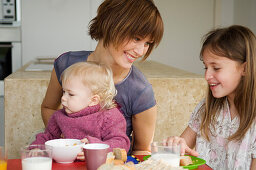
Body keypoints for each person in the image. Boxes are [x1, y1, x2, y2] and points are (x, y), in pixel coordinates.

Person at [41, 0, 164, 155]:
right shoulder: (66, 64)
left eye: (147, 43)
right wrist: (64, 142)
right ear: (111, 24)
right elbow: (49, 108)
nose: (140, 51)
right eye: (137, 38)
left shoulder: (140, 90)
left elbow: (141, 150)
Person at [164, 25, 256, 170]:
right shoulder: (207, 108)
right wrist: (175, 147)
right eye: (206, 67)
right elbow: (177, 155)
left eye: (216, 68)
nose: (207, 76)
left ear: (244, 68)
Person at [32, 62, 130, 155]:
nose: (63, 98)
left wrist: (95, 147)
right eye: (64, 92)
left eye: (71, 94)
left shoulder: (109, 117)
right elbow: (48, 137)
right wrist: (37, 148)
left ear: (93, 100)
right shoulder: (59, 116)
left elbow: (121, 143)